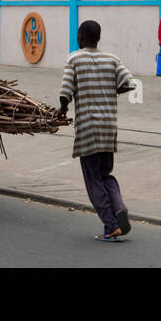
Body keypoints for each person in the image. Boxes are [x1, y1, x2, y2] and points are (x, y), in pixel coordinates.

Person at [57, 19, 136, 242]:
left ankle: (111, 226)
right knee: (105, 174)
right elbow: (129, 83)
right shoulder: (111, 59)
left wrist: (62, 110)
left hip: (88, 128)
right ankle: (118, 207)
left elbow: (65, 91)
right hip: (108, 126)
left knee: (93, 179)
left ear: (81, 37)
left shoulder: (74, 58)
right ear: (98, 38)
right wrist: (110, 90)